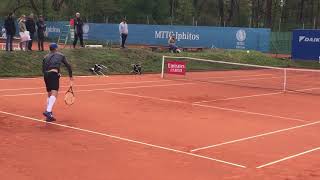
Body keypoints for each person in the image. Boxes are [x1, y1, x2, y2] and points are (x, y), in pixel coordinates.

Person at [42, 43, 73, 122]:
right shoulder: (61, 55)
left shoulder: (45, 57)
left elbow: (44, 69)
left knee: (49, 94)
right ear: (56, 48)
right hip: (53, 74)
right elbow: (68, 65)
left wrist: (57, 73)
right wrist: (71, 76)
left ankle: (49, 115)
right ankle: (48, 111)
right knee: (54, 93)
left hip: (46, 75)